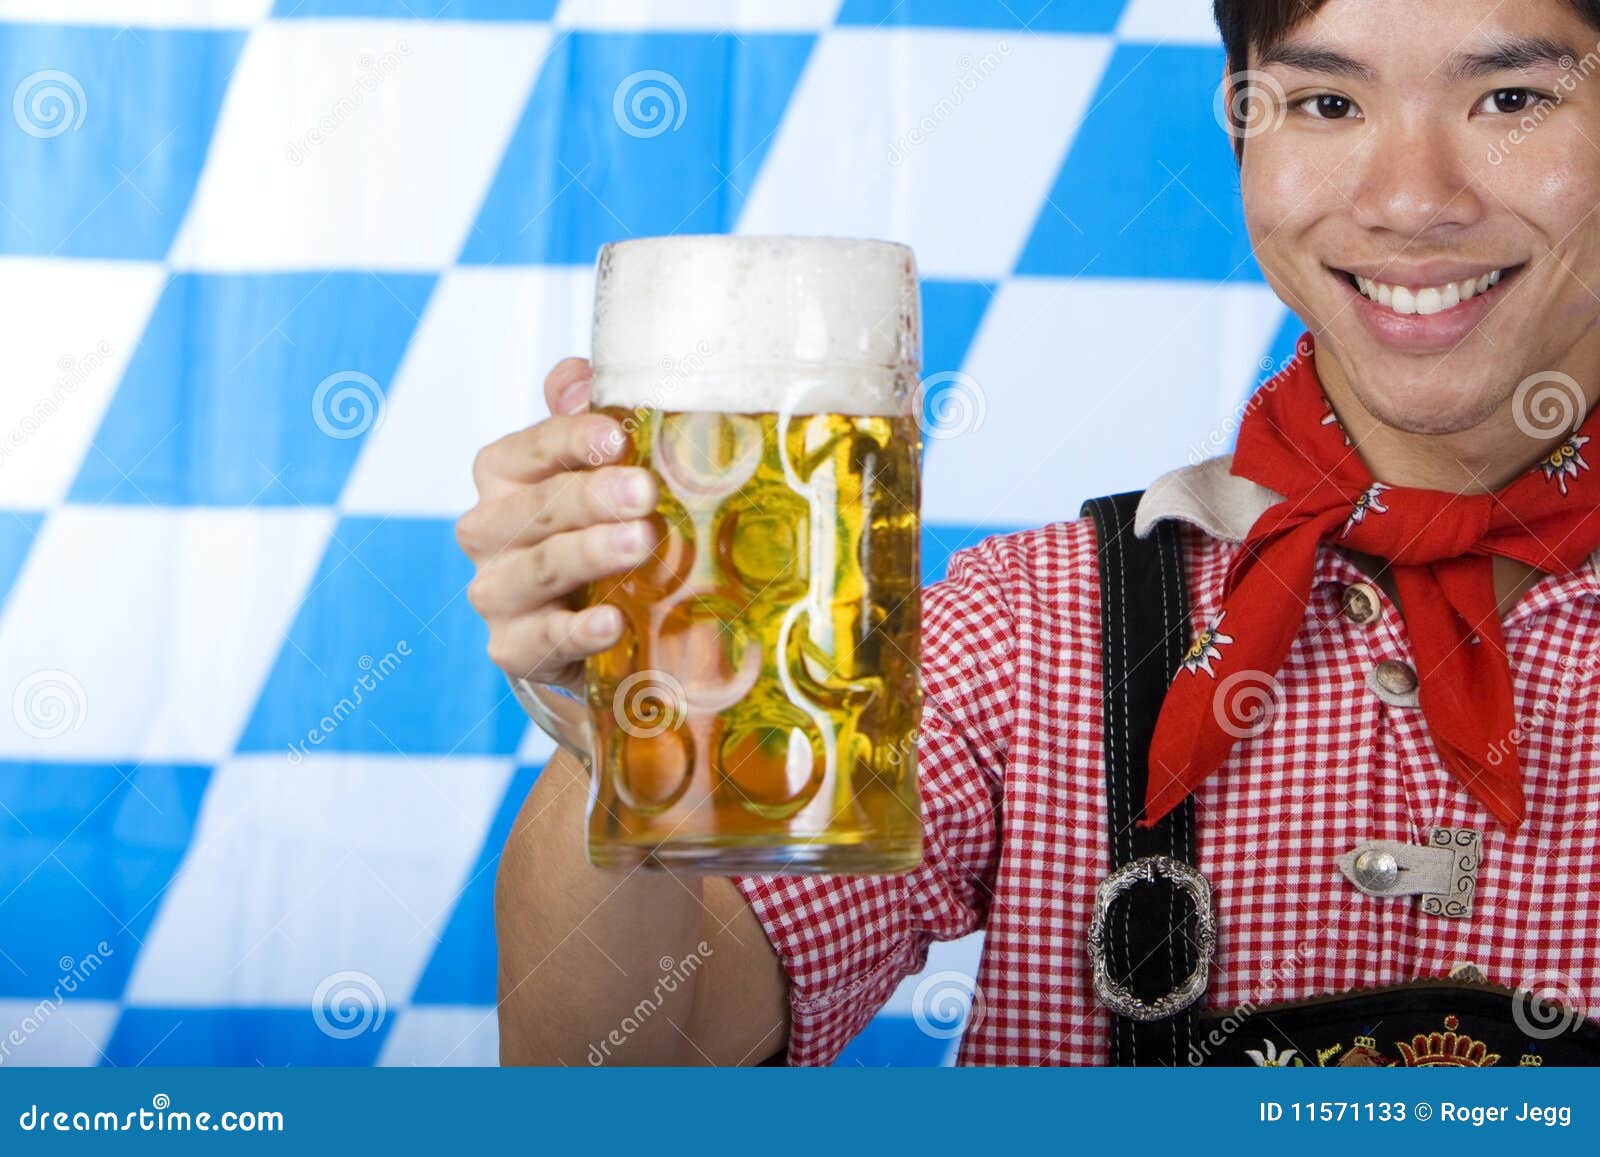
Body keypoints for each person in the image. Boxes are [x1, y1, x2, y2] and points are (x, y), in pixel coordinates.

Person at [458, 0, 1600, 1066]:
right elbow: (629, 1067)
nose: (1410, 199)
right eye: (1327, 102)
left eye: (1510, 99)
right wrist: (623, 722)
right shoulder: (1034, 625)